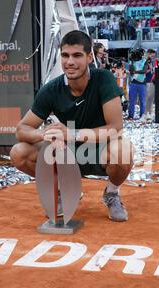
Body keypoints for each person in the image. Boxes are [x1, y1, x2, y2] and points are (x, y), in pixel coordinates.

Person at [10, 30, 134, 222]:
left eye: (77, 55)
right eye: (65, 55)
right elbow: (21, 129)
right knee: (19, 152)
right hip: (66, 154)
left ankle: (111, 193)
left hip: (98, 150)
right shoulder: (51, 89)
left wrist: (71, 133)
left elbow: (115, 128)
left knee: (123, 150)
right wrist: (44, 134)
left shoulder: (104, 80)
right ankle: (65, 190)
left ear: (90, 57)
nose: (70, 62)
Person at [128, 48, 148, 120]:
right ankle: (131, 115)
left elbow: (144, 71)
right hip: (133, 82)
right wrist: (132, 63)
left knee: (142, 100)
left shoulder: (145, 61)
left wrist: (135, 72)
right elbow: (131, 71)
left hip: (142, 83)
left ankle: (142, 115)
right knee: (131, 100)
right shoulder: (132, 61)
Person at [144, 48, 156, 118]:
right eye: (152, 55)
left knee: (151, 97)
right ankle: (146, 112)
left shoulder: (150, 61)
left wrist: (152, 70)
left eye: (153, 56)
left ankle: (150, 112)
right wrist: (150, 69)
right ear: (148, 54)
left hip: (151, 80)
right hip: (147, 80)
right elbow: (144, 71)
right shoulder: (145, 61)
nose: (152, 57)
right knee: (148, 97)